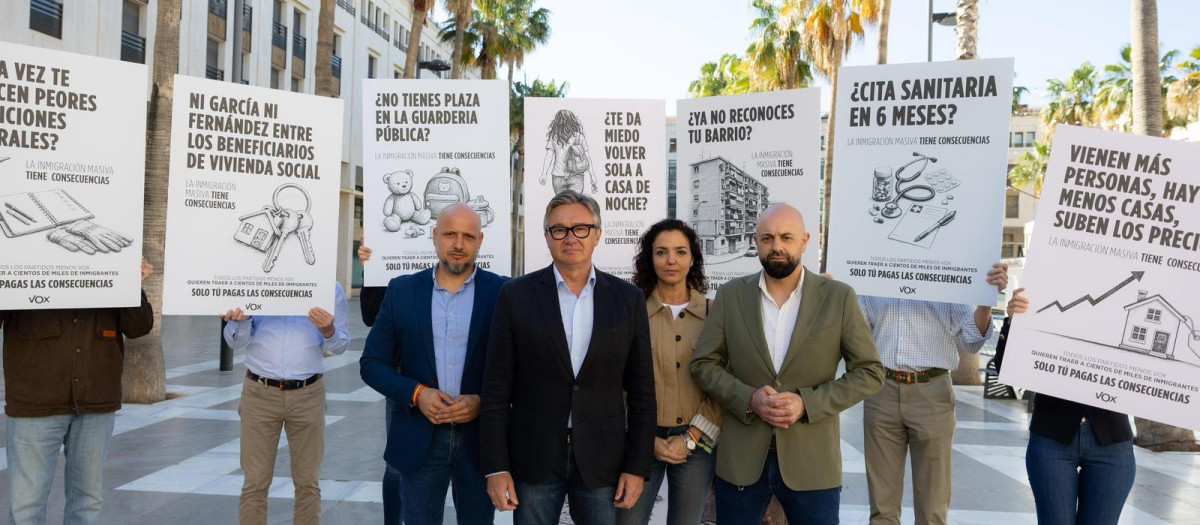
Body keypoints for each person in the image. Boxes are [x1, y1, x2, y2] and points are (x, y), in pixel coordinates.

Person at [690, 204, 884, 525]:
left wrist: (807, 403)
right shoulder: (730, 296)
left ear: (805, 241)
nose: (776, 246)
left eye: (786, 237)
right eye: (767, 238)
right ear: (755, 241)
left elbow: (870, 372)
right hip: (741, 463)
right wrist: (749, 398)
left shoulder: (838, 298)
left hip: (813, 463)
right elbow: (703, 365)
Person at [480, 190, 656, 525]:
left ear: (598, 234)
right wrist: (496, 467)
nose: (570, 237)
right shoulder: (516, 296)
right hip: (534, 457)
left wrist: (637, 467)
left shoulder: (627, 299)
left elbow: (643, 392)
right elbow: (497, 389)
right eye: (558, 229)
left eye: (581, 228)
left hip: (603, 460)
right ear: (547, 237)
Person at [360, 203, 508, 525]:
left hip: (481, 441)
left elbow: (522, 368)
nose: (458, 244)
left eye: (468, 236)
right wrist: (417, 393)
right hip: (420, 438)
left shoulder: (503, 292)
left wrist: (483, 401)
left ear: (480, 240)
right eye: (450, 234)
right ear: (434, 237)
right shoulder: (402, 290)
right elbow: (372, 363)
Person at [3, 260, 155, 525]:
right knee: (26, 506)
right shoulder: (21, 256)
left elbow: (138, 327)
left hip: (96, 400)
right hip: (35, 400)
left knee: (87, 502)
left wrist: (132, 285)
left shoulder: (112, 262)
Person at [856, 263, 1007, 525]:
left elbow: (972, 340)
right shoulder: (874, 276)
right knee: (882, 511)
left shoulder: (947, 279)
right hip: (882, 390)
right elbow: (854, 332)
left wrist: (985, 301)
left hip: (932, 393)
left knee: (932, 510)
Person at [1000, 288, 1136, 525]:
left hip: (1111, 440)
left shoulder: (1123, 299)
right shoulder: (1048, 289)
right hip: (1052, 437)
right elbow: (1005, 366)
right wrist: (1013, 321)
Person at [220, 283, 350, 525]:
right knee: (255, 482)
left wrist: (329, 331)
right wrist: (243, 319)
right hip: (260, 392)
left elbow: (341, 344)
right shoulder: (254, 283)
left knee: (308, 482)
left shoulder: (330, 288)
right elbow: (235, 342)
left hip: (308, 394)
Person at [618, 219, 721, 525]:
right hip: (639, 440)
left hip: (697, 443)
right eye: (661, 252)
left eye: (680, 252)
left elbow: (723, 385)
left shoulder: (715, 314)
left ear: (693, 258)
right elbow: (616, 383)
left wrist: (690, 438)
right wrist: (645, 438)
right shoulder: (629, 311)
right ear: (650, 258)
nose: (671, 260)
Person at [356, 237, 403, 525]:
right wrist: (372, 270)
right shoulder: (395, 276)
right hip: (405, 377)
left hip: (463, 380)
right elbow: (370, 314)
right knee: (398, 463)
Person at [538, 110, 598, 195]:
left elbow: (549, 156)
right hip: (576, 176)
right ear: (572, 121)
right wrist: (592, 176)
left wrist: (544, 174)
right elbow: (587, 157)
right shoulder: (578, 136)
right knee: (574, 204)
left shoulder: (554, 137)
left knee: (562, 205)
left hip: (557, 176)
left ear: (557, 121)